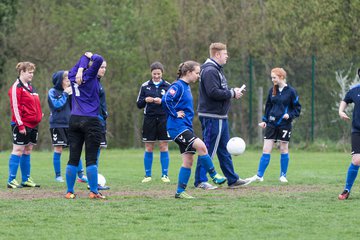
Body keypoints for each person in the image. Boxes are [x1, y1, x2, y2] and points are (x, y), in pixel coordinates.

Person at [162, 61, 227, 199]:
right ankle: (214, 175)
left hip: (185, 127)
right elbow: (166, 99)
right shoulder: (177, 85)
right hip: (177, 127)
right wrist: (174, 113)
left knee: (188, 161)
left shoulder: (186, 86)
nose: (198, 76)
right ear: (188, 72)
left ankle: (180, 191)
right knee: (201, 146)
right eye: (197, 73)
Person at [195, 42, 248, 189]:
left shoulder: (216, 69)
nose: (227, 56)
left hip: (220, 116)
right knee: (208, 148)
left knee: (224, 149)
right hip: (212, 116)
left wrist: (232, 91)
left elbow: (219, 89)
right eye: (225, 54)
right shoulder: (210, 70)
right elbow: (213, 92)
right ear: (217, 54)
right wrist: (232, 93)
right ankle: (200, 180)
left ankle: (232, 179)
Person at [245, 67, 301, 184]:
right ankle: (259, 175)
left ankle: (283, 176)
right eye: (272, 78)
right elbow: (268, 106)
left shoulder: (291, 91)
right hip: (271, 124)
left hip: (285, 125)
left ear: (281, 77)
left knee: (283, 148)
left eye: (274, 77)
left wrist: (289, 115)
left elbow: (297, 108)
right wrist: (265, 120)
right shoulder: (272, 90)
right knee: (266, 149)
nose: (272, 80)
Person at [65, 52, 105, 199]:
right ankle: (94, 192)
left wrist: (82, 65)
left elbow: (80, 61)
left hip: (74, 119)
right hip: (91, 120)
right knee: (91, 159)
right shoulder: (90, 75)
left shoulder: (72, 75)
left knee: (73, 158)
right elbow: (99, 59)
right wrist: (91, 55)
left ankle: (69, 192)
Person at [48, 70, 88, 183]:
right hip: (57, 124)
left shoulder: (71, 91)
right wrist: (65, 94)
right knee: (58, 149)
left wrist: (72, 95)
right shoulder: (52, 92)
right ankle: (58, 176)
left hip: (71, 124)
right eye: (66, 80)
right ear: (60, 81)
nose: (68, 82)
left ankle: (81, 175)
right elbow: (57, 105)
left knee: (75, 148)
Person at [7, 61, 42, 188]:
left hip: (33, 124)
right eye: (29, 72)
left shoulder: (31, 87)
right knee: (18, 150)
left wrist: (39, 115)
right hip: (22, 124)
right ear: (22, 72)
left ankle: (26, 179)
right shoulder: (17, 87)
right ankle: (11, 180)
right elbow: (15, 107)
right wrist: (20, 125)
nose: (32, 75)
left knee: (28, 150)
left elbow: (34, 104)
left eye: (33, 72)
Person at [136, 62, 171, 183]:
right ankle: (147, 176)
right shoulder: (145, 86)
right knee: (149, 146)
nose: (156, 76)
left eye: (158, 74)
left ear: (162, 73)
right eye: (154, 73)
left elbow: (172, 104)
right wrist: (145, 100)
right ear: (151, 73)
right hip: (149, 119)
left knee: (163, 146)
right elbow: (138, 104)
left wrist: (162, 101)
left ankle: (165, 175)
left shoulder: (168, 86)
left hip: (163, 119)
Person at [338, 76, 360, 200]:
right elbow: (345, 100)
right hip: (357, 130)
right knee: (356, 160)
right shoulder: (355, 90)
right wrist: (341, 111)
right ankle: (347, 190)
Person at [95, 60, 110, 190]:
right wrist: (100, 116)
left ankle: (91, 181)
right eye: (101, 67)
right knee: (94, 153)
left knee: (96, 152)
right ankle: (93, 183)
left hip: (100, 121)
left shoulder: (98, 82)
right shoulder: (93, 83)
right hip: (96, 122)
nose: (103, 70)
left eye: (105, 67)